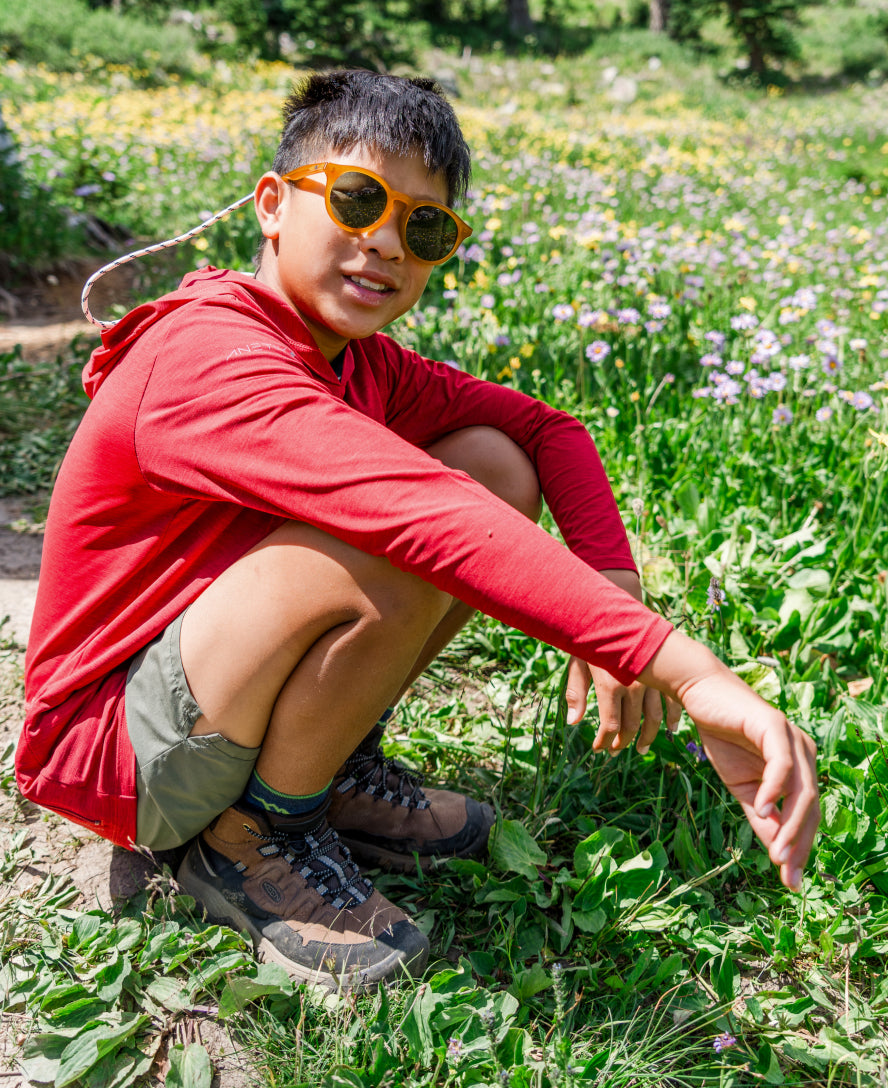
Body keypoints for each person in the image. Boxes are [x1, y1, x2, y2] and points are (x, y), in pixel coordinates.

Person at [17, 70, 819, 992]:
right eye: (358, 201)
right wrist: (682, 668)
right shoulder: (210, 355)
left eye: (425, 227)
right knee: (402, 535)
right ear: (273, 204)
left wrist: (614, 581)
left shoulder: (358, 361)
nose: (388, 244)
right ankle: (251, 839)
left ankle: (320, 771)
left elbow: (546, 430)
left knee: (491, 463)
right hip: (117, 757)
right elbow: (421, 515)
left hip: (203, 694)